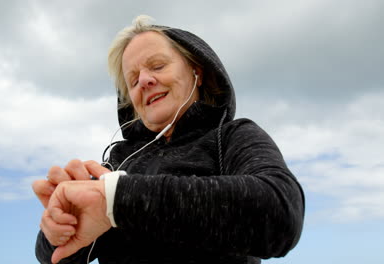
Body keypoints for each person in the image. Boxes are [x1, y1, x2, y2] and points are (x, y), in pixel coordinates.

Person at [32, 15, 304, 264]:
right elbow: (55, 258)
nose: (145, 81)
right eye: (133, 80)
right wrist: (59, 229)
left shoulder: (233, 136)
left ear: (197, 72)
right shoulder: (116, 164)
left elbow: (281, 213)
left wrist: (118, 199)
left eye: (158, 66)